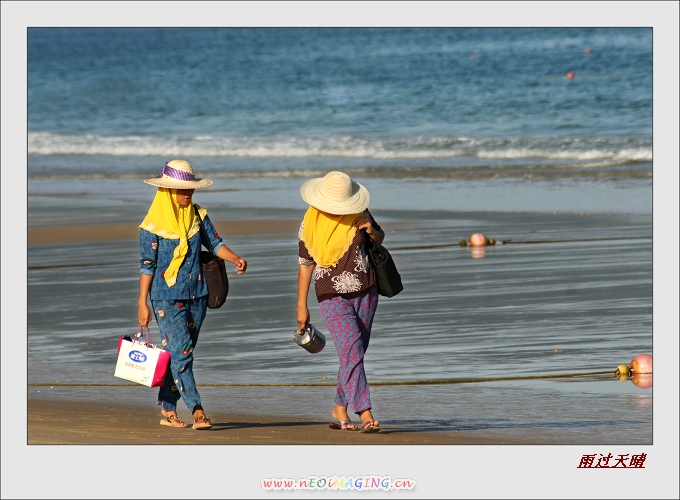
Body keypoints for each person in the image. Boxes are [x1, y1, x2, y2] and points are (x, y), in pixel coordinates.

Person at [137, 159, 247, 430]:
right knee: (183, 352)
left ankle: (167, 406)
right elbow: (147, 266)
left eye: (191, 189)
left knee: (181, 352)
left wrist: (234, 259)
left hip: (198, 293)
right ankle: (197, 409)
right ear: (167, 191)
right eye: (182, 190)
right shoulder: (151, 227)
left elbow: (216, 243)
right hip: (165, 297)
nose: (188, 194)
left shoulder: (198, 215)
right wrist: (142, 303)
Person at [296, 171, 385, 433]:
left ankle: (339, 407)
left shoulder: (360, 211)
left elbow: (379, 238)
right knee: (352, 350)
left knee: (352, 353)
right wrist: (302, 305)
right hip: (330, 294)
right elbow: (305, 266)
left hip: (366, 289)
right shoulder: (310, 222)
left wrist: (372, 229)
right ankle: (364, 412)